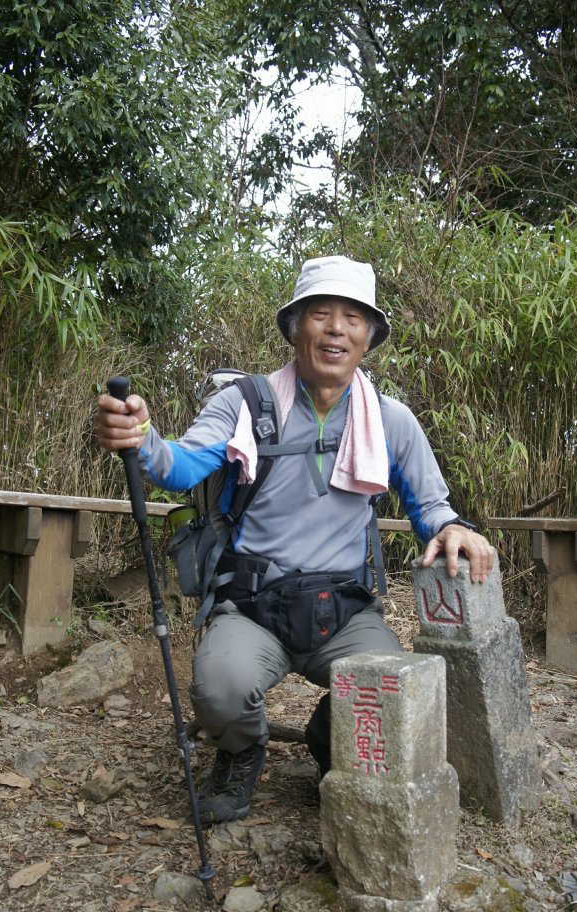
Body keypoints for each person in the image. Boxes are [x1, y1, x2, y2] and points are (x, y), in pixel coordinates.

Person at [96, 255, 494, 824]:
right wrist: (140, 436)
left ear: (369, 338)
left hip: (345, 611)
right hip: (253, 604)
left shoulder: (389, 420)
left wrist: (455, 528)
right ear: (295, 328)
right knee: (220, 691)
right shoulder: (245, 404)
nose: (337, 329)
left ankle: (325, 734)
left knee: (390, 694)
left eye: (354, 318)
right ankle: (241, 750)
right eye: (322, 315)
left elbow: (432, 506)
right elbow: (179, 465)